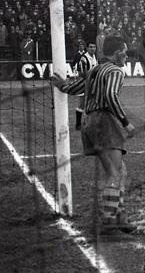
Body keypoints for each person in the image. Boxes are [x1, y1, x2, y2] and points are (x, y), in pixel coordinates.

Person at [50, 35, 137, 236]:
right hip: (104, 122)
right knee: (115, 173)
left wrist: (61, 84)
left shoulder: (94, 70)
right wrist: (126, 123)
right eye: (125, 53)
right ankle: (108, 220)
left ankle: (120, 217)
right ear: (117, 53)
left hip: (89, 123)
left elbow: (75, 88)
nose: (126, 57)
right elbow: (110, 95)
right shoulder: (115, 71)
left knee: (119, 171)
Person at [74, 42, 98, 130]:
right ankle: (78, 124)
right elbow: (81, 73)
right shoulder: (84, 58)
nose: (92, 49)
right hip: (83, 84)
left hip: (92, 84)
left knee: (92, 104)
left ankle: (90, 123)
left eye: (94, 47)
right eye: (90, 47)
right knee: (82, 104)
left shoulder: (95, 57)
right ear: (87, 48)